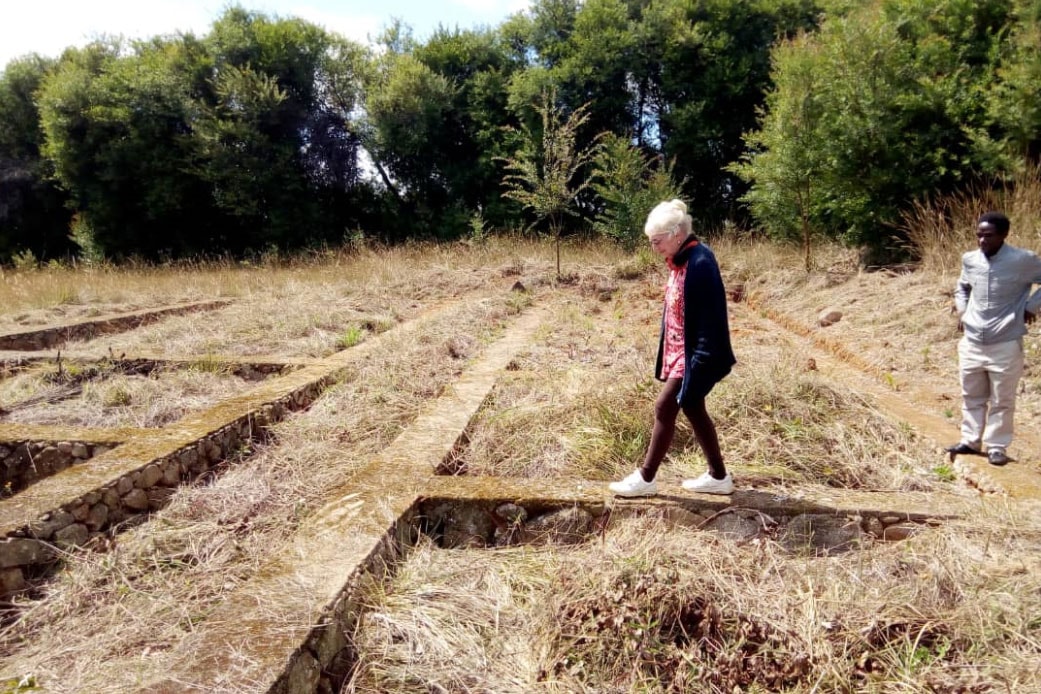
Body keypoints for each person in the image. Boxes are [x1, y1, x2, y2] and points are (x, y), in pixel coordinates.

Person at [609, 199, 737, 497]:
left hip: (697, 356)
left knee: (664, 407)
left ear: (678, 233)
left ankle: (646, 478)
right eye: (650, 242)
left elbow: (711, 317)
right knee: (692, 406)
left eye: (658, 240)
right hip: (682, 352)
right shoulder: (682, 261)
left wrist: (700, 363)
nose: (654, 248)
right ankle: (719, 477)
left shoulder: (701, 263)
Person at [947, 211, 1041, 466]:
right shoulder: (970, 259)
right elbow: (962, 286)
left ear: (1003, 235)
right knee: (971, 395)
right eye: (979, 235)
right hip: (973, 340)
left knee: (1002, 399)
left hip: (1006, 340)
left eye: (988, 235)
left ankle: (997, 446)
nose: (982, 240)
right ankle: (970, 440)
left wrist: (1032, 306)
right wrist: (964, 311)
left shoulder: (1023, 260)